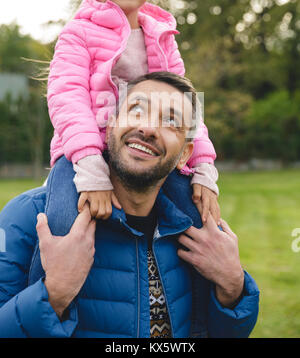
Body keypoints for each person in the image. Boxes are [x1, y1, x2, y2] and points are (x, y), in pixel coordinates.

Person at [0, 72, 259, 338]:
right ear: (110, 128)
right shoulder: (26, 216)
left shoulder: (195, 233)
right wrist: (54, 292)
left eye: (171, 121)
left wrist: (233, 285)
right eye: (137, 110)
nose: (147, 128)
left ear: (184, 154)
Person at [47, 0, 220, 224]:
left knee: (197, 216)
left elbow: (186, 108)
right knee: (63, 220)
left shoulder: (163, 37)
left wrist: (203, 164)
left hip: (147, 150)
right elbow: (67, 100)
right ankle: (50, 273)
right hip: (83, 151)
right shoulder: (77, 33)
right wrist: (90, 167)